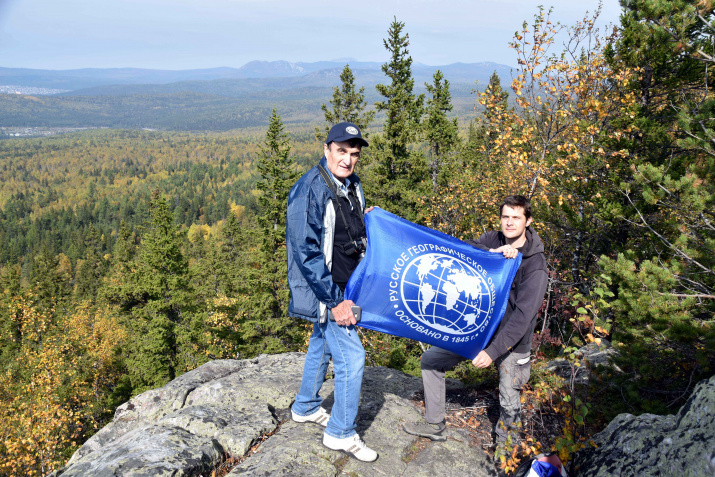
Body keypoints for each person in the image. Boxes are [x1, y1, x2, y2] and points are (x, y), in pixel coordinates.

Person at [402, 195, 548, 456]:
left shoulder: (535, 265)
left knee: (509, 399)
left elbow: (523, 317)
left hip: (512, 342)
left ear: (528, 221)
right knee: (431, 360)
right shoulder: (493, 239)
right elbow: (460, 248)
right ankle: (434, 424)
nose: (510, 223)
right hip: (477, 330)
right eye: (506, 217)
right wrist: (489, 253)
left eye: (516, 217)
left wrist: (492, 353)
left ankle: (507, 456)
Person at [286, 122, 377, 462]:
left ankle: (306, 406)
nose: (348, 159)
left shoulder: (351, 184)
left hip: (346, 286)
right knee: (353, 358)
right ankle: (340, 433)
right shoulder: (309, 189)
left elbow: (345, 230)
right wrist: (335, 301)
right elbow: (305, 252)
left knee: (321, 345)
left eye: (354, 154)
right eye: (342, 151)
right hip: (329, 292)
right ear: (326, 150)